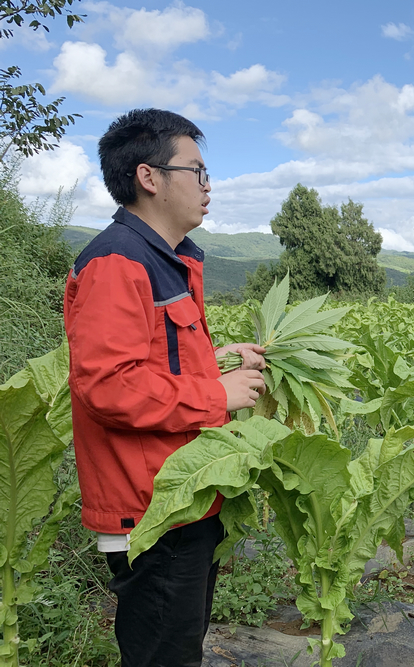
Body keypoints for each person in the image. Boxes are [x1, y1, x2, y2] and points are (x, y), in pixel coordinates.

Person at [64, 108, 268, 667]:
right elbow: (107, 387)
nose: (208, 186)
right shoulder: (117, 263)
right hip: (151, 512)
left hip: (184, 503)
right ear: (149, 178)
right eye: (197, 171)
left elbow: (155, 359)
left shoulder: (166, 260)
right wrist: (217, 396)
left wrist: (219, 360)